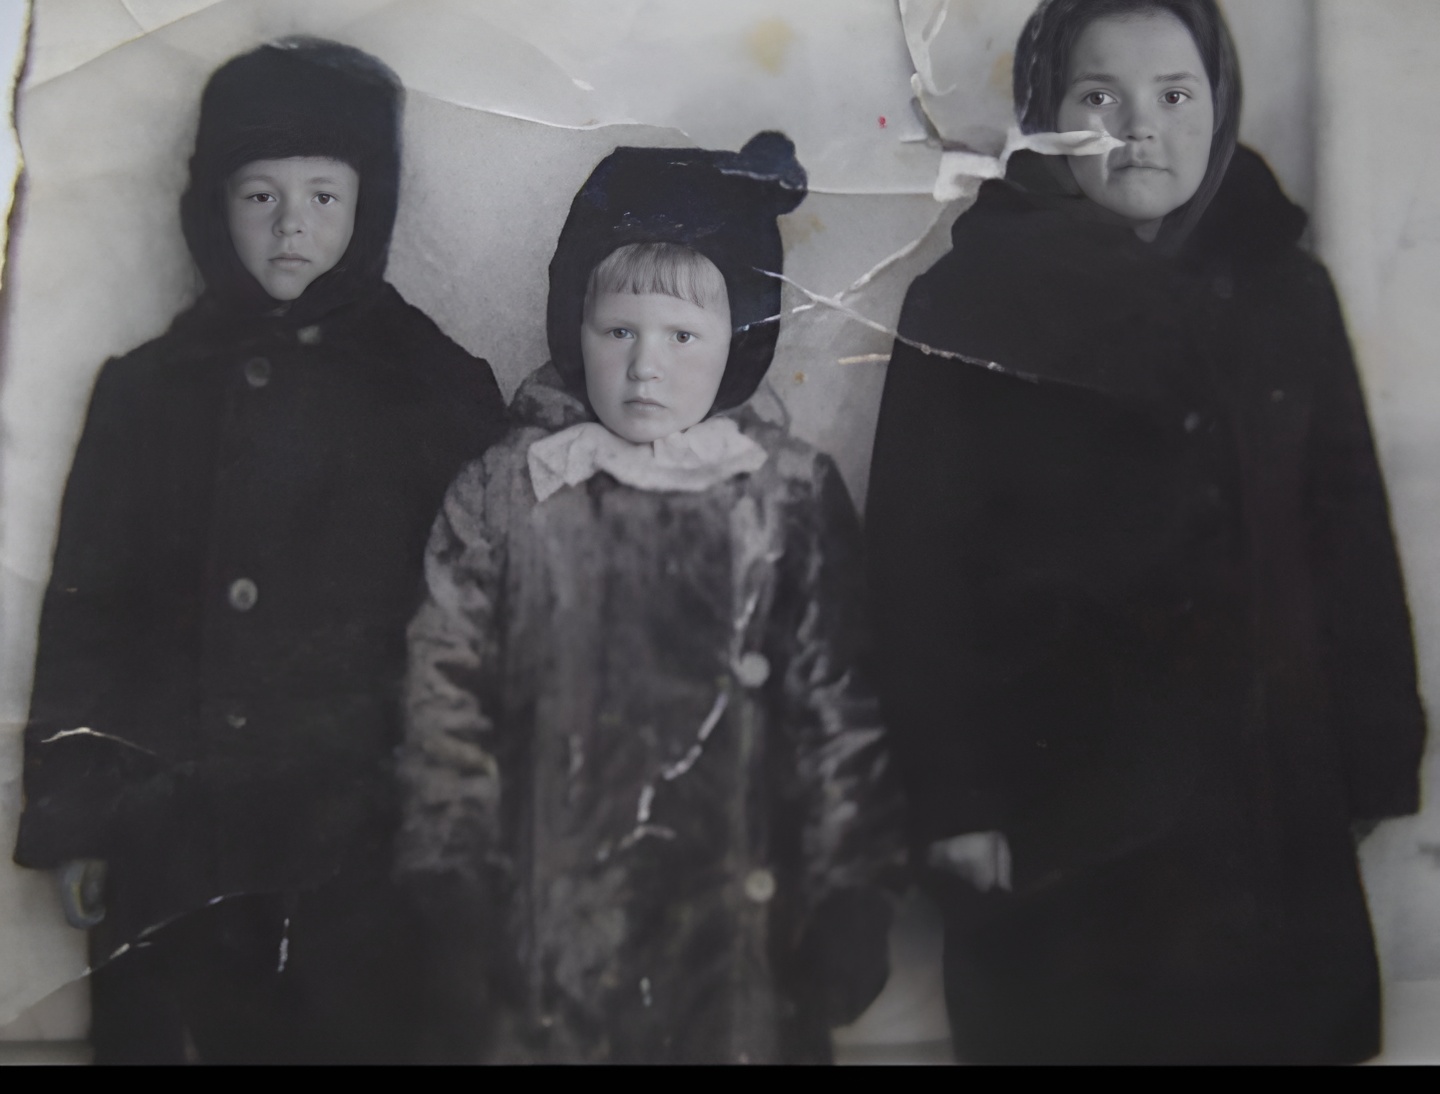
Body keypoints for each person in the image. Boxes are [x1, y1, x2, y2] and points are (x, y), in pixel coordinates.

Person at [867, 0, 1427, 1065]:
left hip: (1267, 810)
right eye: (1099, 95)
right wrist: (953, 799)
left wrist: (1372, 757)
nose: (1140, 127)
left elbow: (1349, 536)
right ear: (1047, 112)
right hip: (1060, 820)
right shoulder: (967, 301)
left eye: (1175, 94)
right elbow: (915, 574)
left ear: (1220, 103)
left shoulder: (1286, 293)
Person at [12, 38, 506, 1063]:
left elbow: (487, 627)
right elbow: (89, 612)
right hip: (175, 840)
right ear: (213, 205)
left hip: (363, 850)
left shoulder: (435, 386)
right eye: (260, 196)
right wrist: (79, 817)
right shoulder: (146, 389)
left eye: (325, 197)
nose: (292, 227)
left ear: (370, 205)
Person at [397, 133, 907, 1064]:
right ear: (573, 329)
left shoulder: (784, 494)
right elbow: (446, 696)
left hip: (740, 941)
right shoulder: (510, 488)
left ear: (738, 340)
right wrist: (451, 881)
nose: (645, 367)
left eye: (682, 336)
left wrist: (851, 887)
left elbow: (836, 705)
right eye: (618, 331)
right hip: (550, 936)